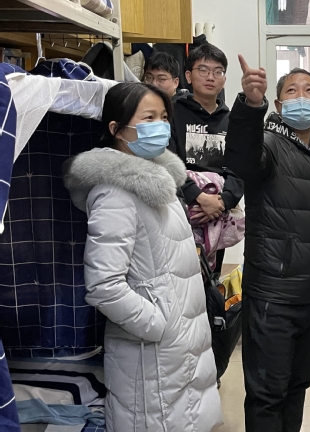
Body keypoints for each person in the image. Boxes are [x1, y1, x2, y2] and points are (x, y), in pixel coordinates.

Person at [63, 82, 223, 431]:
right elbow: (104, 285)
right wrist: (157, 324)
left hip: (178, 344)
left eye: (164, 117)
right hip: (152, 352)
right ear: (117, 129)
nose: (160, 126)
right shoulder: (115, 193)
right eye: (148, 118)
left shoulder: (158, 181)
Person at [225, 57, 310, 432]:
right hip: (274, 295)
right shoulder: (268, 145)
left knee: (298, 385)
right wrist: (251, 106)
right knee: (268, 394)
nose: (302, 96)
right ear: (278, 105)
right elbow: (242, 160)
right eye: (292, 91)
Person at [168, 43, 243, 276]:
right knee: (181, 274)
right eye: (203, 70)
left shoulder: (233, 120)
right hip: (181, 204)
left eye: (218, 71)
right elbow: (168, 160)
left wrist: (222, 202)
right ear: (188, 76)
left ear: (224, 79)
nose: (210, 77)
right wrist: (198, 197)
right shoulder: (172, 112)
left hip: (218, 212)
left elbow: (240, 167)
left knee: (212, 276)